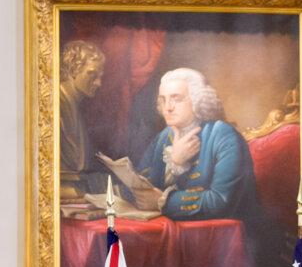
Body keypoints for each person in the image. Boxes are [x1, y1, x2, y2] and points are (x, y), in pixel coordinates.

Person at [134, 67, 260, 221]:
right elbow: (144, 184)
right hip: (177, 231)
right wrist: (174, 164)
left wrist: (163, 201)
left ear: (198, 99)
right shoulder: (163, 137)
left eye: (176, 98)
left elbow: (220, 202)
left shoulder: (223, 136)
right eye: (163, 99)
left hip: (228, 236)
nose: (168, 107)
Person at [59, 40, 107, 197]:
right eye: (92, 74)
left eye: (100, 76)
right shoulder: (54, 106)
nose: (99, 83)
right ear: (73, 69)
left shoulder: (74, 108)